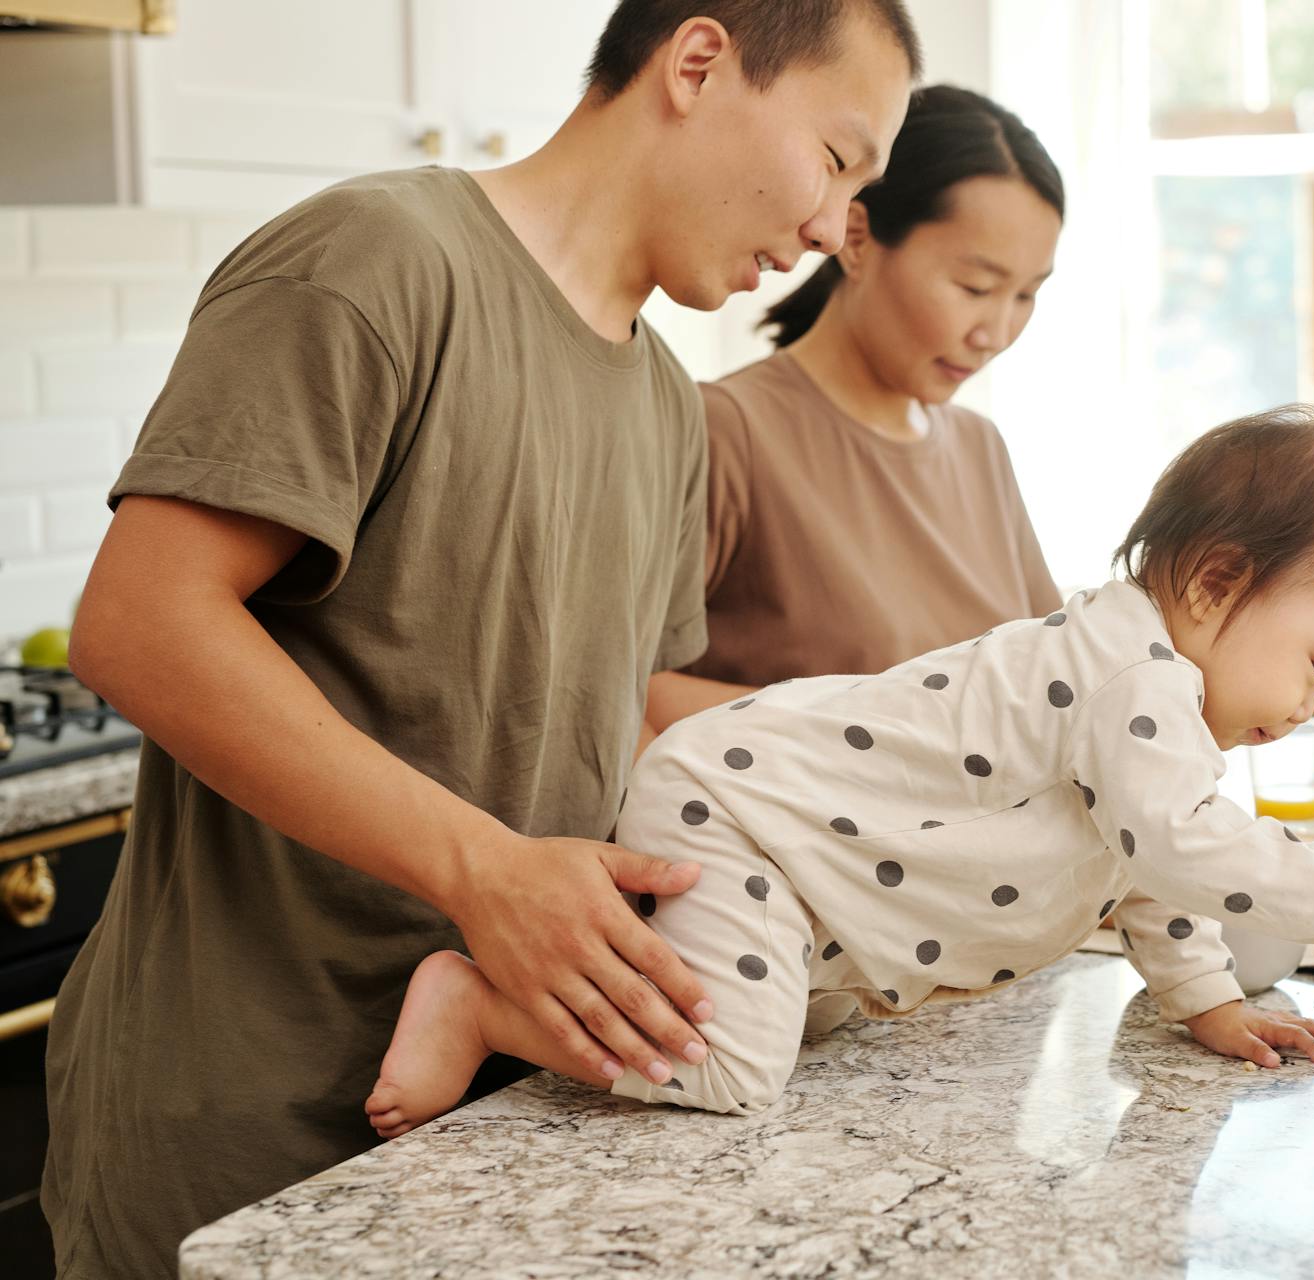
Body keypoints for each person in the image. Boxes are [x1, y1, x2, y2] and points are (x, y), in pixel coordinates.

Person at [42, 3, 919, 1274]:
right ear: (697, 62)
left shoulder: (669, 406)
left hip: (489, 1129)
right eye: (838, 162)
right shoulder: (375, 260)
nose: (838, 231)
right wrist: (483, 871)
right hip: (242, 1131)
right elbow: (137, 625)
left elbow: (606, 723)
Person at [365, 406, 1314, 1127]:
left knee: (790, 1019)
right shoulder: (1131, 679)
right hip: (743, 814)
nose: (1308, 708)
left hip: (796, 850)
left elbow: (1149, 867)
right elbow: (1184, 843)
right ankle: (477, 1006)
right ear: (1214, 583)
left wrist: (1206, 1000)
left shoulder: (1152, 700)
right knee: (736, 1069)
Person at [643, 83, 1066, 733]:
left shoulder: (980, 448)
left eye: (1026, 296)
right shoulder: (729, 431)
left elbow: (1054, 680)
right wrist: (877, 729)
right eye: (975, 287)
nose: (997, 332)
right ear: (860, 241)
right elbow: (621, 687)